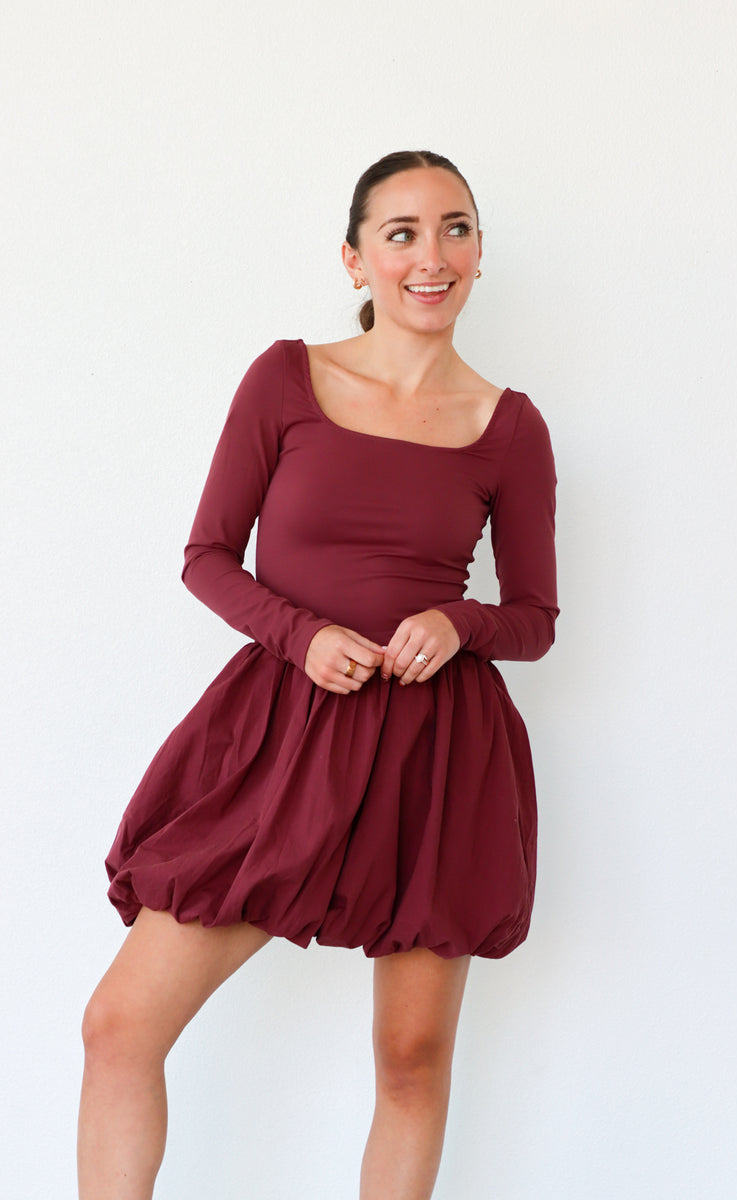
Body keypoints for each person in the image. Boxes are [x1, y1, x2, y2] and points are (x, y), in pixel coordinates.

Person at [78, 149, 558, 1200]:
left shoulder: (508, 426)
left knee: (410, 1061)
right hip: (282, 737)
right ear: (355, 258)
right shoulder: (286, 378)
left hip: (437, 754)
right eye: (401, 233)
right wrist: (298, 637)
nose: (430, 257)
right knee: (119, 1027)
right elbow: (206, 556)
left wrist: (459, 620)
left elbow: (533, 619)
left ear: (478, 256)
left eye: (455, 229)